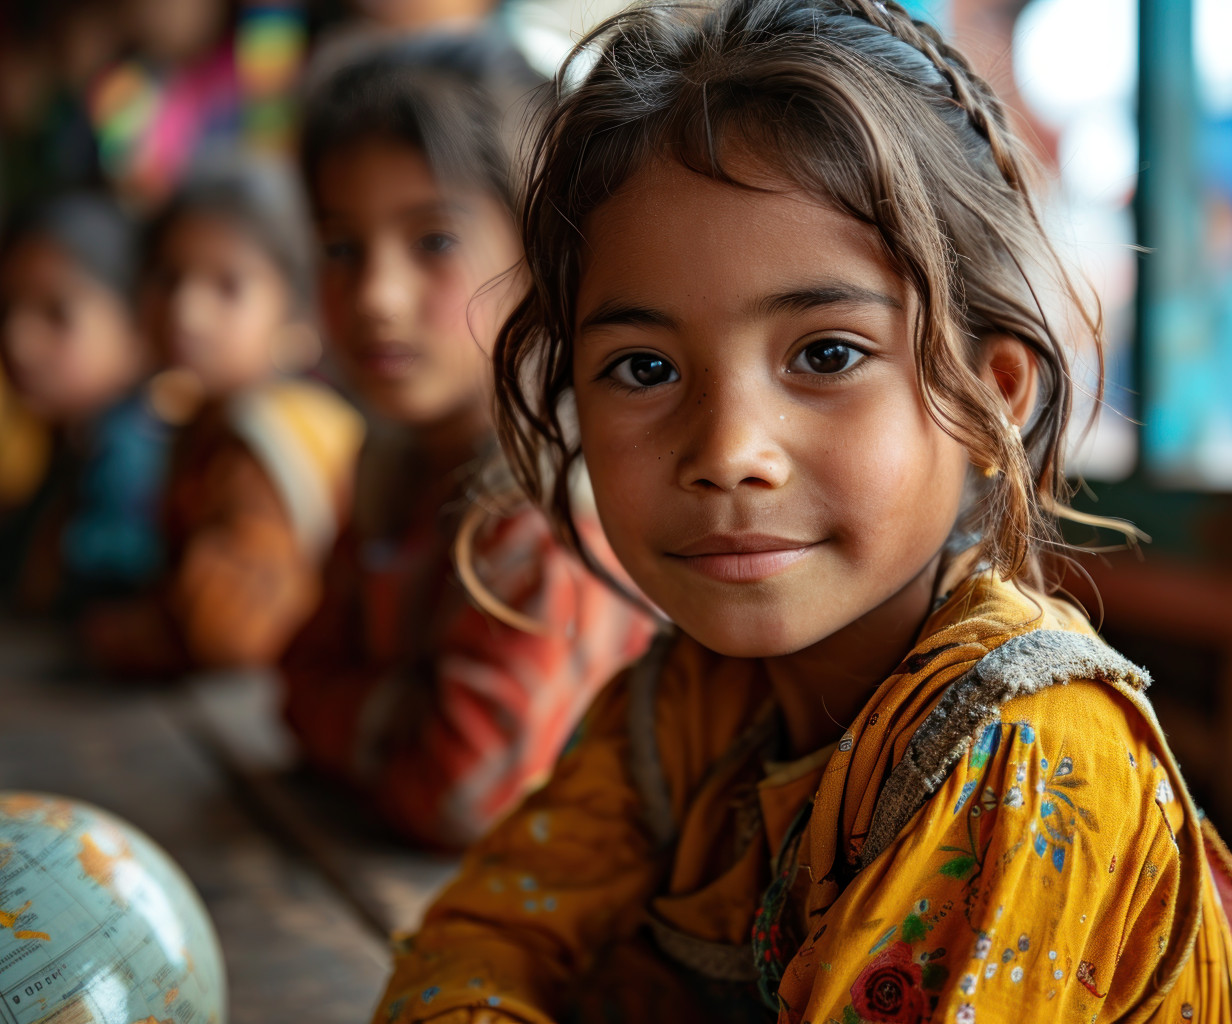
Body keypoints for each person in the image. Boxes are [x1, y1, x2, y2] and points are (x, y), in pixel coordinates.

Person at [375, 1, 1232, 1021]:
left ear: (991, 392)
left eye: (826, 354)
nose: (728, 452)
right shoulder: (690, 705)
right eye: (641, 367)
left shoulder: (1026, 754)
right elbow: (476, 945)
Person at [280, 30, 656, 849]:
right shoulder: (392, 462)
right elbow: (295, 680)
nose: (377, 296)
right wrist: (392, 719)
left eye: (434, 242)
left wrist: (363, 710)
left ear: (538, 253)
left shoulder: (557, 504)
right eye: (341, 248)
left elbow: (462, 791)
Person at [84, 160, 364, 676]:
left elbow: (233, 632)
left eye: (228, 286)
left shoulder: (266, 437)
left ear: (296, 309)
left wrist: (152, 635)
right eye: (168, 278)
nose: (186, 310)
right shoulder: (201, 419)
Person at [0, 191, 166, 610]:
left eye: (56, 314)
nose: (19, 342)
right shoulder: (61, 443)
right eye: (6, 310)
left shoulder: (132, 452)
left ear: (139, 327)